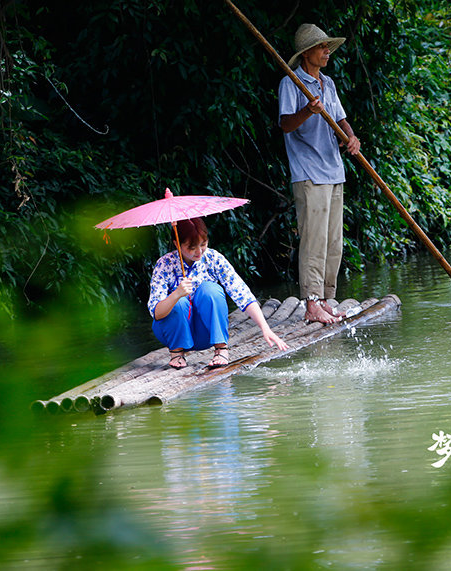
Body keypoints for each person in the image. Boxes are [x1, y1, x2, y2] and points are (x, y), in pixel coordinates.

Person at [278, 23, 361, 324]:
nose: (328, 51)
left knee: (333, 241)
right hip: (309, 172)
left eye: (327, 47)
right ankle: (311, 302)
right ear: (307, 53)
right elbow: (286, 124)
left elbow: (340, 118)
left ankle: (326, 299)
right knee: (313, 239)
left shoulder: (327, 83)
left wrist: (350, 137)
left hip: (334, 170)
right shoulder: (291, 83)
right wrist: (307, 112)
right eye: (322, 47)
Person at [148, 217, 289, 369]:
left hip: (205, 333)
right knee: (178, 301)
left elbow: (241, 292)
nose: (199, 251)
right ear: (177, 244)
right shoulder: (164, 264)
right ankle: (177, 353)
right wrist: (176, 294)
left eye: (203, 244)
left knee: (210, 290)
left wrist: (265, 328)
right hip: (172, 333)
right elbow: (157, 313)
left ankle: (221, 349)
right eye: (192, 247)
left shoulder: (213, 258)